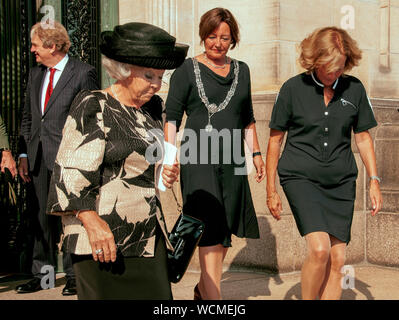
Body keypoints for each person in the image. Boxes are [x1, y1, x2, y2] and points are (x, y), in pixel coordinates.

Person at [46, 22, 188, 300]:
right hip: (101, 240)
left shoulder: (147, 113)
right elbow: (68, 175)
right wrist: (92, 222)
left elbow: (140, 169)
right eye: (150, 75)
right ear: (123, 71)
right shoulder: (93, 104)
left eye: (161, 76)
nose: (157, 84)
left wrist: (164, 173)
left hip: (147, 237)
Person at [266, 26, 382, 300]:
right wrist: (271, 190)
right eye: (329, 68)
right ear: (315, 61)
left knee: (338, 259)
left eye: (340, 68)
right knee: (319, 250)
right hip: (300, 177)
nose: (335, 74)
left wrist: (374, 181)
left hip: (341, 182)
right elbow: (275, 140)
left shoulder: (354, 89)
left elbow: (363, 138)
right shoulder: (292, 88)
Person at [164, 7, 265, 300]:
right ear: (202, 36)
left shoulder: (242, 70)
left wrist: (256, 155)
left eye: (225, 37)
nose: (218, 43)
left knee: (222, 234)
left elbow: (247, 117)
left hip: (233, 158)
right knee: (207, 228)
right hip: (197, 158)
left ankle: (203, 290)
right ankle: (214, 301)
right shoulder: (185, 70)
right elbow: (171, 117)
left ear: (233, 39)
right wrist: (170, 156)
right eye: (211, 36)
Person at [16, 21, 99, 296]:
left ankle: (76, 276)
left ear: (52, 46)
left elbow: (90, 118)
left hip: (69, 159)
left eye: (36, 45)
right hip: (38, 158)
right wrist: (24, 153)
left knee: (72, 218)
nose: (32, 50)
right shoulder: (35, 74)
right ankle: (44, 276)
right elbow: (28, 118)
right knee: (42, 219)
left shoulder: (83, 73)